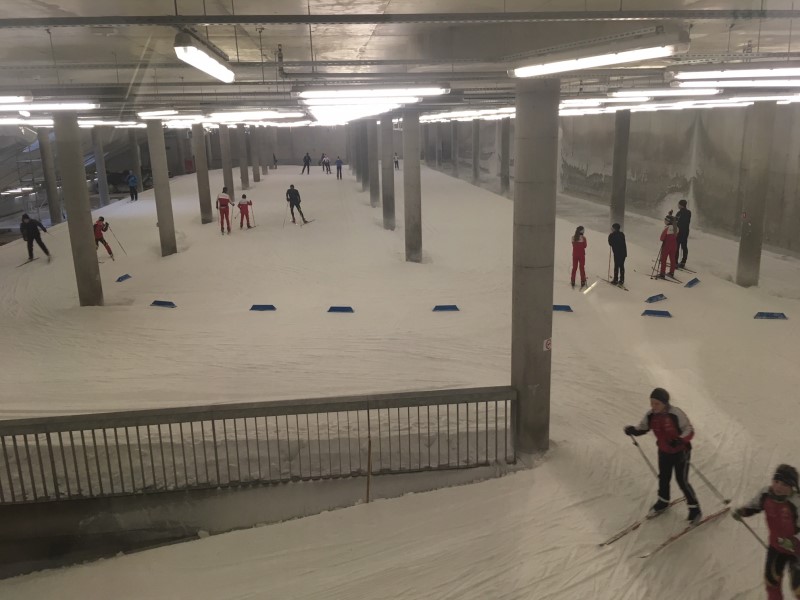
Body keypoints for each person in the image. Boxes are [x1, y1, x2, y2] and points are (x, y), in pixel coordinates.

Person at [624, 387, 702, 524]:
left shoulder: (675, 413)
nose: (653, 406)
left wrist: (679, 440)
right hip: (664, 451)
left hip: (681, 452)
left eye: (657, 403)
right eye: (651, 403)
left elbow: (689, 430)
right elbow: (643, 427)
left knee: (682, 480)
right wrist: (633, 430)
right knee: (663, 478)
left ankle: (695, 509)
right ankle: (663, 502)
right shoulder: (651, 415)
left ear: (665, 403)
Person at [733, 464, 800, 600]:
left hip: (797, 551)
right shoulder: (766, 494)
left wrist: (794, 542)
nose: (778, 487)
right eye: (776, 481)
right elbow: (754, 505)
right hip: (776, 547)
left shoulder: (796, 503)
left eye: (784, 485)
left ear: (792, 487)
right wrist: (743, 511)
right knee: (771, 581)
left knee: (798, 588)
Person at [658, 212, 678, 279]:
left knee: (663, 259)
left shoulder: (667, 228)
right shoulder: (676, 228)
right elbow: (676, 236)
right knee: (672, 259)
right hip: (674, 245)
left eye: (665, 220)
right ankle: (671, 272)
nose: (664, 221)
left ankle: (662, 273)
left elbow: (661, 238)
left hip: (667, 245)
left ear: (668, 221)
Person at [675, 199, 692, 268]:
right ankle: (683, 262)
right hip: (686, 232)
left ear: (681, 205)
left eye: (678, 204)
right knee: (684, 246)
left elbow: (675, 222)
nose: (678, 205)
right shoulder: (689, 212)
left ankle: (675, 262)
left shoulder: (679, 213)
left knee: (676, 246)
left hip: (679, 232)